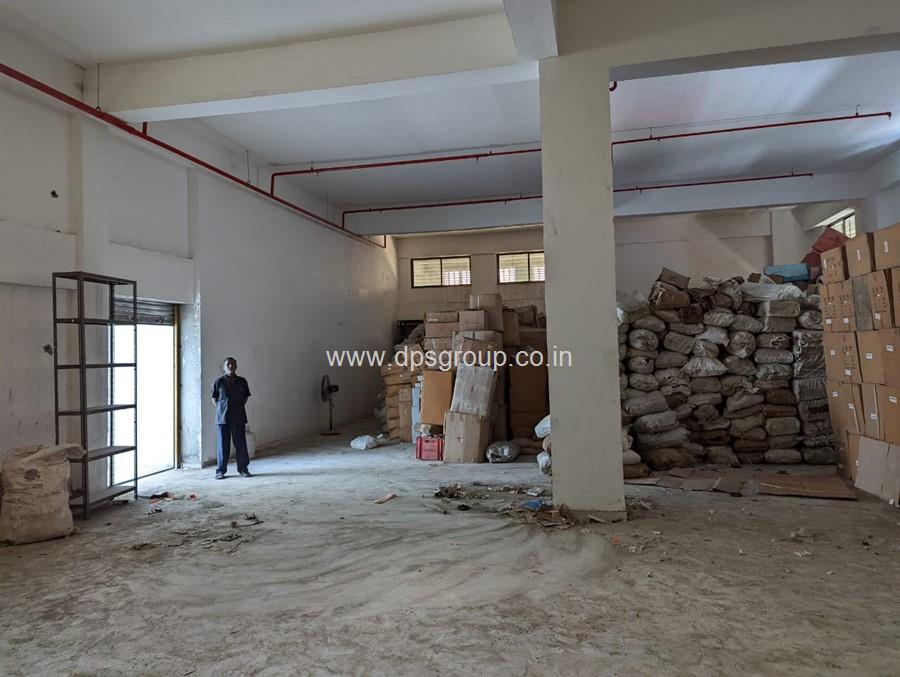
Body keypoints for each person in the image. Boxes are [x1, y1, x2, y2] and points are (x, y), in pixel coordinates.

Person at [211, 357, 252, 479]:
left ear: (236, 366)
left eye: (233, 364)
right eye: (228, 364)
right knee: (222, 445)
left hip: (239, 416)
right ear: (224, 367)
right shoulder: (218, 382)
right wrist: (223, 409)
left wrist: (236, 407)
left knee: (241, 444)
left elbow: (245, 397)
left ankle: (243, 468)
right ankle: (220, 471)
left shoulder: (242, 382)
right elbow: (214, 399)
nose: (231, 366)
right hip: (222, 419)